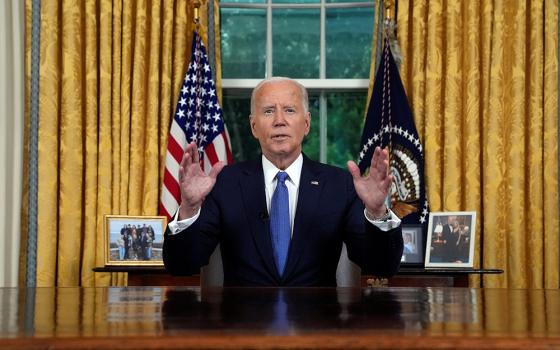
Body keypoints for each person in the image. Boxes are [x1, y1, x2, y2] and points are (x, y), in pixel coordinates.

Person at [163, 77, 403, 286]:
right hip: (242, 328)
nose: (279, 120)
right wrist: (189, 209)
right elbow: (181, 266)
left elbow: (382, 267)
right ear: (254, 126)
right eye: (268, 111)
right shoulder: (225, 184)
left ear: (306, 123)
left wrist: (376, 212)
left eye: (289, 110)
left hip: (318, 327)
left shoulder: (339, 185)